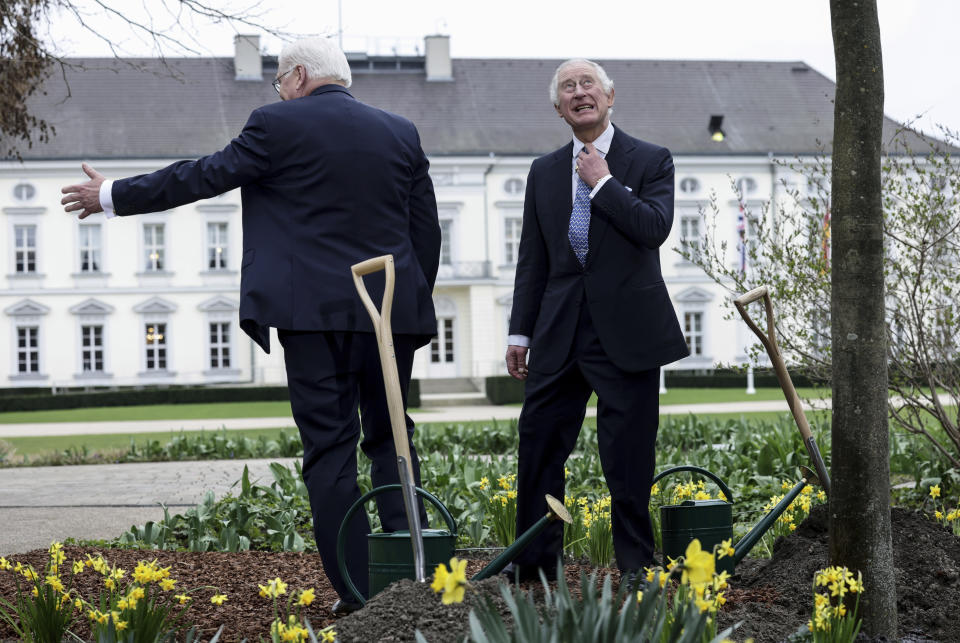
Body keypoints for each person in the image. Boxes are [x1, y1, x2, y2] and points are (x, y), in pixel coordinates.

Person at [61, 37, 441, 614]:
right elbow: (425, 230)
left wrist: (111, 195)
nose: (279, 91)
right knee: (393, 438)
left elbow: (202, 176)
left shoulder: (277, 124)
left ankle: (361, 594)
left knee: (331, 451)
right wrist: (410, 302)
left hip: (311, 318)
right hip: (388, 310)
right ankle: (410, 581)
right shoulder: (400, 131)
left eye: (279, 82)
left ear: (297, 76)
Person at [504, 58, 689, 583]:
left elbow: (653, 228)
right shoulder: (542, 171)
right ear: (559, 108)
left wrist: (604, 183)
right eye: (568, 87)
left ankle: (635, 567)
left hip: (627, 332)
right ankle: (535, 567)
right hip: (557, 333)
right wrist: (521, 331)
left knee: (628, 455)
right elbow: (532, 258)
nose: (579, 92)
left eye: (588, 84)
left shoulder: (652, 160)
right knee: (538, 445)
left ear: (610, 97)